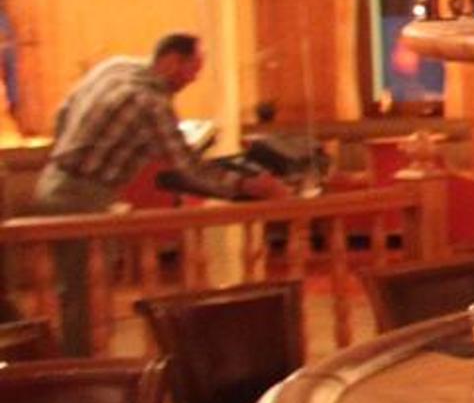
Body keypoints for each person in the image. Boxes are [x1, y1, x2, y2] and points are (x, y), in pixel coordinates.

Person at [31, 33, 286, 354]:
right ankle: (79, 369)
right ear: (171, 60)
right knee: (84, 295)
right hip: (82, 196)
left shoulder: (114, 67)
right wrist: (248, 186)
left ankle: (82, 361)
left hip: (53, 181)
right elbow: (188, 168)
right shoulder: (149, 102)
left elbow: (63, 113)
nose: (192, 79)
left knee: (75, 289)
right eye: (192, 69)